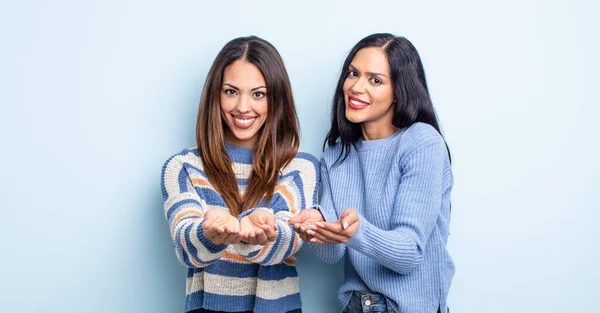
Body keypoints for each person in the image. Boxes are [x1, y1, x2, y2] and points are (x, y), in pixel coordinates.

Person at [289, 33, 454, 313]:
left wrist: (355, 231)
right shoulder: (336, 155)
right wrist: (316, 227)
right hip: (355, 306)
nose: (356, 87)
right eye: (353, 73)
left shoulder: (422, 142)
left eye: (375, 80)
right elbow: (332, 254)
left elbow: (408, 253)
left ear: (399, 92)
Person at [161, 36, 319, 313]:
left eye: (258, 94)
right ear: (215, 94)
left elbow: (288, 242)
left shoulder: (300, 167)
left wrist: (252, 230)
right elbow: (187, 247)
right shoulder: (183, 166)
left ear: (276, 98)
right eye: (231, 92)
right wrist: (209, 231)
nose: (243, 107)